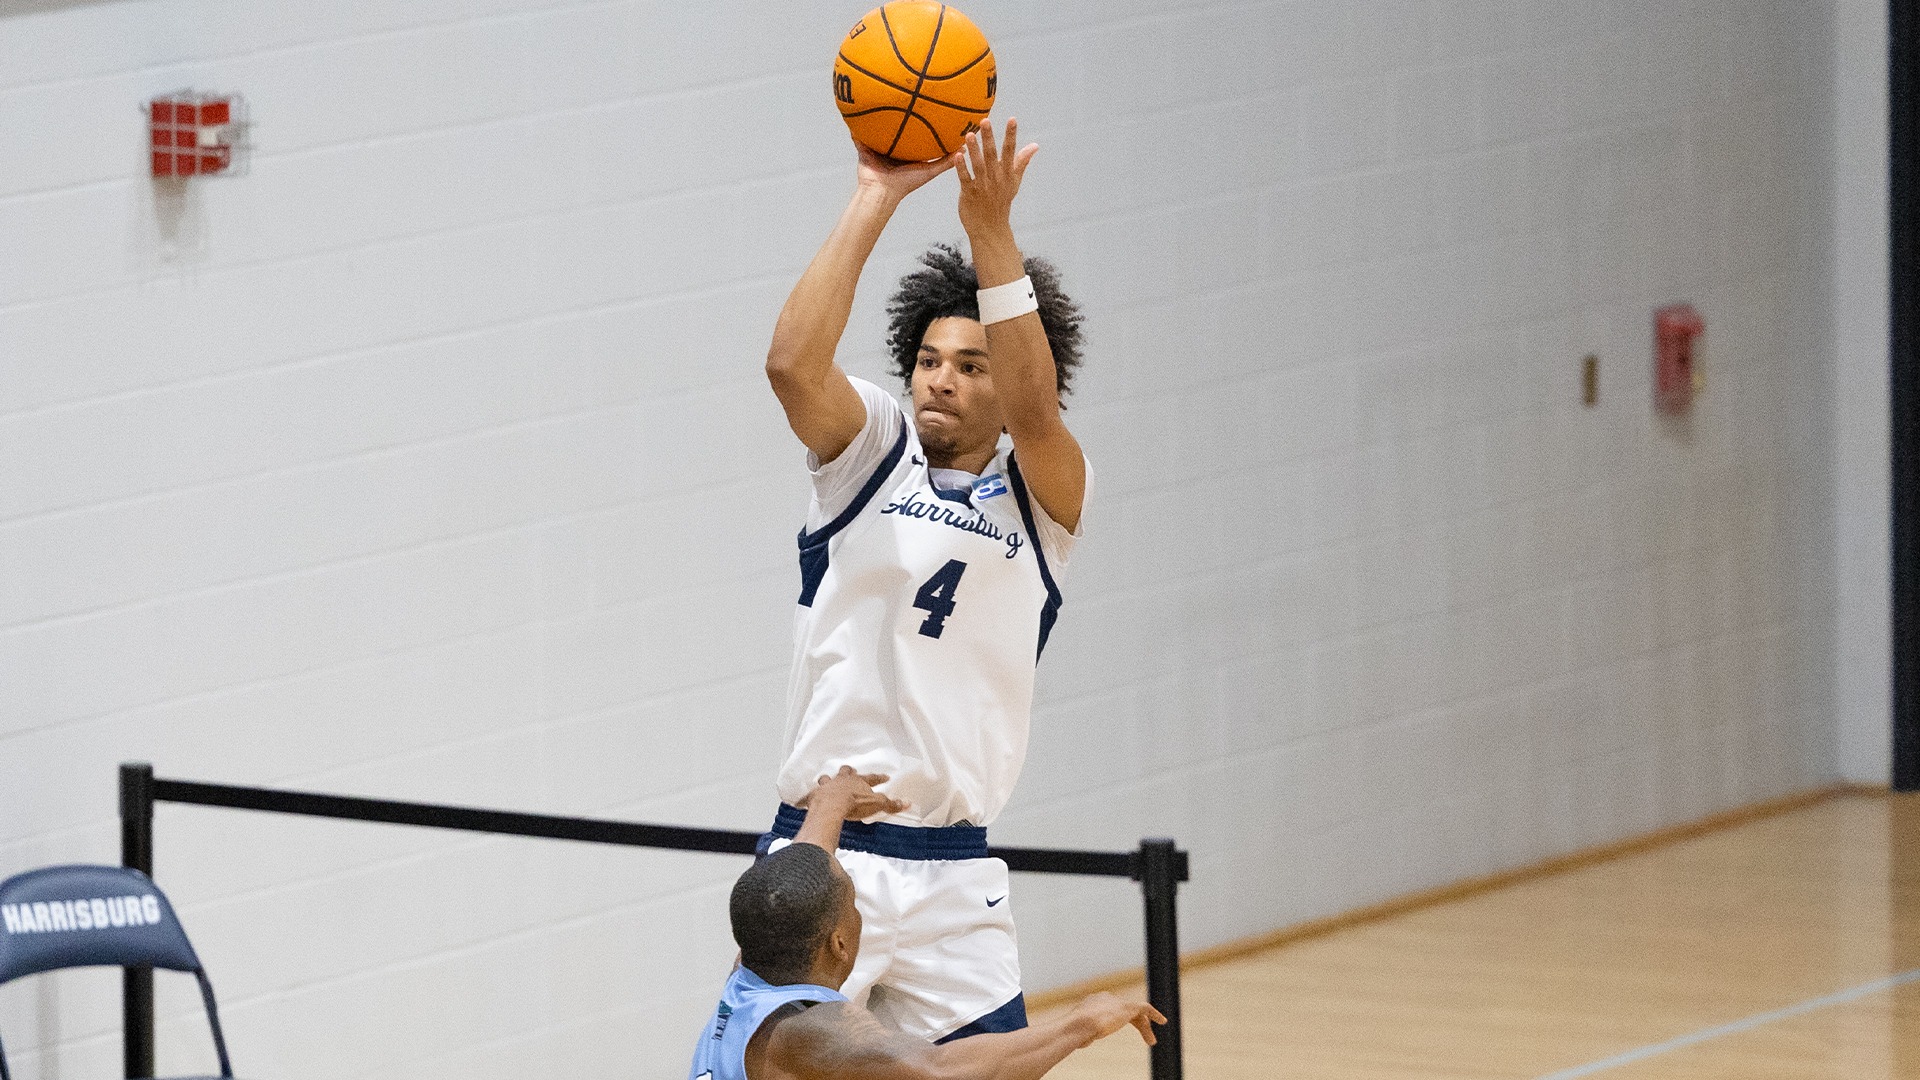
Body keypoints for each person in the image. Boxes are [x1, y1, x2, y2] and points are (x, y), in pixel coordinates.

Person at [758, 115, 1090, 1043]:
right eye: (928, 360)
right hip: (829, 851)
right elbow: (790, 365)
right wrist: (876, 193)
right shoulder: (869, 450)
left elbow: (1034, 404)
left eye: (969, 366)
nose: (939, 380)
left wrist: (992, 232)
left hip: (952, 868)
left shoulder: (1046, 495)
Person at [691, 767, 1160, 1080]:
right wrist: (1082, 1022)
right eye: (855, 906)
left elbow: (799, 870)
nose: (859, 914)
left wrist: (829, 803)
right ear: (839, 942)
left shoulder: (749, 975)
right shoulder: (804, 1032)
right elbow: (939, 1071)